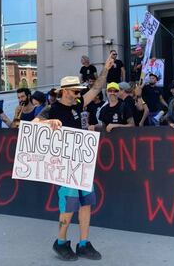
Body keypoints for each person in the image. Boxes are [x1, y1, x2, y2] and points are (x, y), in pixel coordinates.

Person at [34, 56, 114, 261]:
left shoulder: (79, 104)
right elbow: (32, 124)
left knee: (86, 203)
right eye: (74, 90)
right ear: (63, 91)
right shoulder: (52, 108)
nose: (78, 93)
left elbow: (96, 89)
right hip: (64, 165)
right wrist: (48, 122)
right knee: (68, 205)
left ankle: (83, 243)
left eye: (78, 90)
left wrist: (105, 68)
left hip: (82, 163)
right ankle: (60, 242)